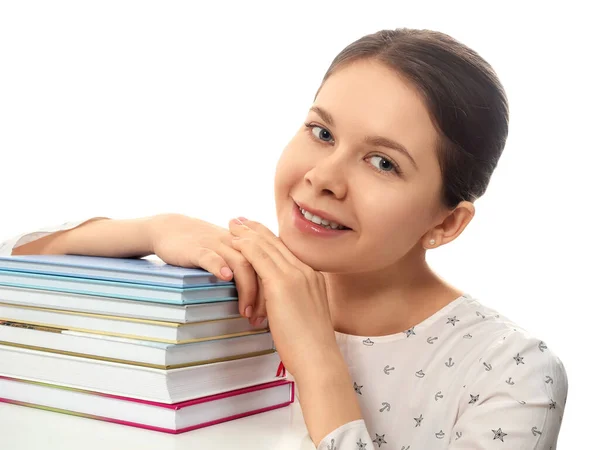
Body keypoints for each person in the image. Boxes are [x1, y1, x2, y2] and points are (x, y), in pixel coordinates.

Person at [0, 28, 567, 449]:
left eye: (383, 163)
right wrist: (151, 229)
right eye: (321, 132)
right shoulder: (230, 282)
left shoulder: (509, 373)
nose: (323, 176)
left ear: (446, 223)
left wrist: (318, 363)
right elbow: (18, 266)